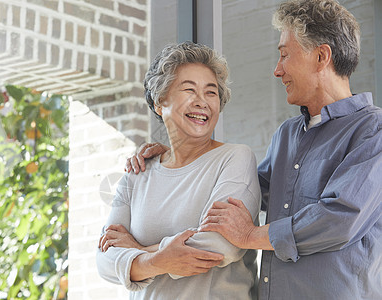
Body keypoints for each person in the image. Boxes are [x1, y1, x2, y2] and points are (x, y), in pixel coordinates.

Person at [126, 1, 382, 299]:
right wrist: (176, 156)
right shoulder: (288, 135)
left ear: (321, 57)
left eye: (284, 55)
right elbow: (238, 193)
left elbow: (339, 219)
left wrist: (250, 236)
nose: (277, 70)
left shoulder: (372, 131)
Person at [96, 41, 261, 299]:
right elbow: (105, 259)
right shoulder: (139, 171)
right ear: (160, 101)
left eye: (211, 92)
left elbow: (220, 245)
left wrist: (137, 252)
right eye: (189, 90)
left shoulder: (234, 158)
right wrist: (159, 260)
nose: (202, 102)